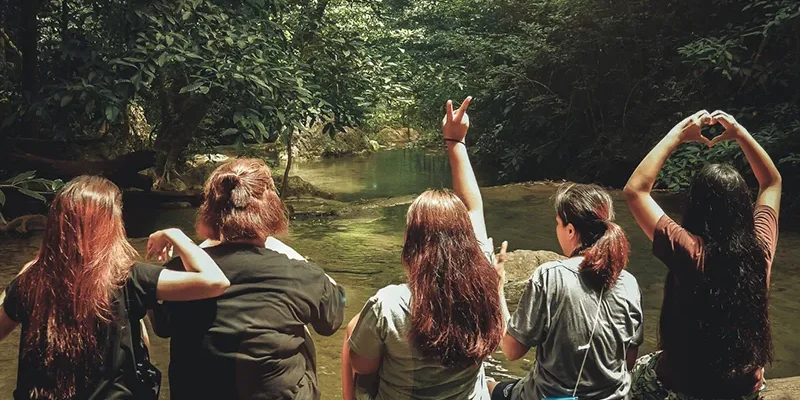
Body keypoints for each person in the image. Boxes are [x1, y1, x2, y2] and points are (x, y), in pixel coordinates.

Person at [0, 175, 230, 400]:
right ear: (111, 223)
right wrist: (177, 235)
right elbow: (215, 281)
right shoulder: (128, 277)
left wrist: (22, 277)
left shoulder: (31, 281)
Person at [341, 97, 508, 400]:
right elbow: (473, 207)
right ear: (464, 238)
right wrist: (456, 142)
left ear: (412, 245)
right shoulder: (484, 284)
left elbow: (361, 366)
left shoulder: (390, 304)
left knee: (354, 333)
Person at [150, 158, 346, 400]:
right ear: (272, 209)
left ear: (210, 212)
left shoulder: (180, 270)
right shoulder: (301, 274)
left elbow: (162, 327)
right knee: (302, 334)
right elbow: (331, 322)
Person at [624, 110, 780, 399]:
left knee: (637, 373)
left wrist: (679, 134)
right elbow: (771, 183)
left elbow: (636, 191)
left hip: (685, 385)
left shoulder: (690, 251)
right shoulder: (760, 249)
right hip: (742, 388)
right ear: (743, 207)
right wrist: (741, 133)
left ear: (695, 206)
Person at [491, 183, 644, 400]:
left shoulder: (551, 275)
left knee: (487, 387)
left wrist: (497, 287)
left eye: (558, 224)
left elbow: (511, 351)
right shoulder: (630, 284)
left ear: (571, 230)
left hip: (552, 397)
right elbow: (628, 360)